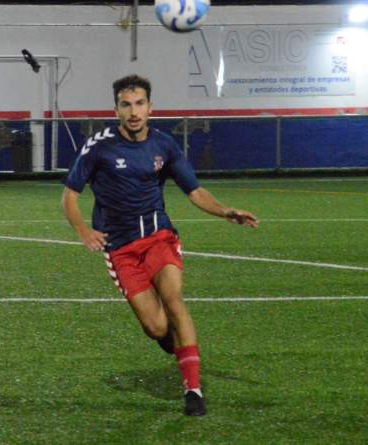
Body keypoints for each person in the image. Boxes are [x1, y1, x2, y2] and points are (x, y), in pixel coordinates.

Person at [61, 74, 258, 416]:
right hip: (121, 248)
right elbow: (69, 196)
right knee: (156, 327)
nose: (133, 111)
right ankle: (171, 338)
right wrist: (82, 230)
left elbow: (194, 191)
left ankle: (193, 390)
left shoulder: (164, 146)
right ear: (116, 109)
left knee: (174, 299)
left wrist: (226, 211)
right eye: (126, 105)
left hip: (159, 238)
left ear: (151, 107)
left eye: (140, 104)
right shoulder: (99, 147)